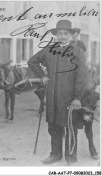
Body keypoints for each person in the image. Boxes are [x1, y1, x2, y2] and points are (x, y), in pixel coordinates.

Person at [28, 20, 88, 165]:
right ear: (56, 35)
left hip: (70, 98)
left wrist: (77, 98)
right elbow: (32, 61)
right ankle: (55, 154)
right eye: (59, 33)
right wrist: (42, 75)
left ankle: (71, 157)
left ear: (70, 35)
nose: (62, 36)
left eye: (65, 33)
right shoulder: (49, 50)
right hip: (53, 97)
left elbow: (82, 76)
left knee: (70, 127)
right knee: (53, 127)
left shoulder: (77, 52)